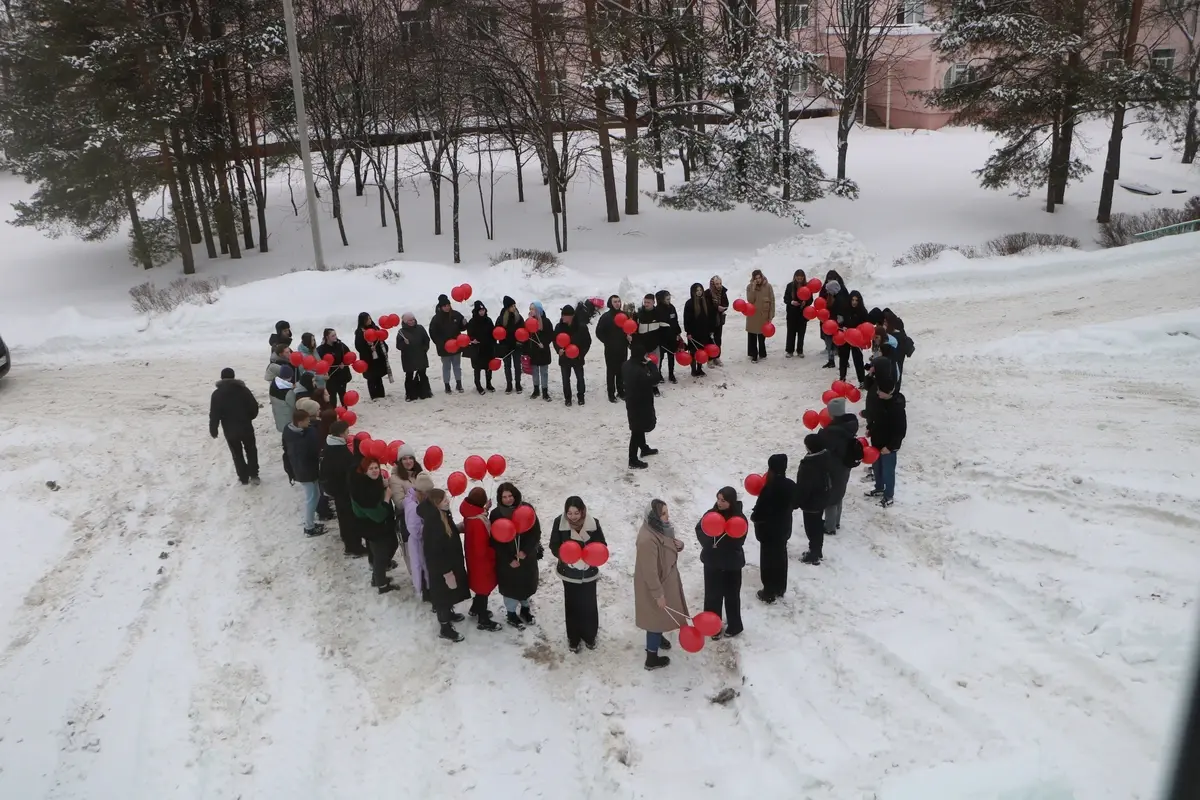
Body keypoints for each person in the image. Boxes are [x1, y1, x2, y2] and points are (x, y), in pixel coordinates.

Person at [634, 499, 688, 671]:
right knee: (654, 619)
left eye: (667, 512)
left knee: (659, 616)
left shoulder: (657, 528)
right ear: (654, 516)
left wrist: (678, 544)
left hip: (665, 579)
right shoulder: (647, 540)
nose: (667, 516)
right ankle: (651, 658)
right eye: (663, 513)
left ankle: (658, 635)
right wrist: (658, 594)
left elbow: (666, 546)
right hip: (655, 585)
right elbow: (650, 571)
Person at [549, 496, 607, 652]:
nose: (573, 517)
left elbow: (602, 544)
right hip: (569, 573)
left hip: (589, 572)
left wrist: (591, 558)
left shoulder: (593, 524)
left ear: (582, 511)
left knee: (589, 604)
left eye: (576, 513)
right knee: (572, 605)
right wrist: (566, 558)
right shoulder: (559, 523)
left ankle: (590, 636)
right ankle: (573, 638)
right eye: (569, 513)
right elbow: (554, 545)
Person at [419, 488, 472, 642]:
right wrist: (446, 571)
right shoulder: (433, 523)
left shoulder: (442, 515)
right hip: (441, 569)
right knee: (442, 597)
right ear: (435, 504)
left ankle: (449, 614)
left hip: (449, 564)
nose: (448, 501)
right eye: (444, 500)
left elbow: (448, 534)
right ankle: (445, 628)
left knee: (448, 595)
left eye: (446, 498)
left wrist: (458, 529)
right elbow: (434, 551)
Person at [695, 487, 746, 639]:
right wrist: (710, 543)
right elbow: (700, 529)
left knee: (732, 595)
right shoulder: (711, 514)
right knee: (712, 596)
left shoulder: (739, 518)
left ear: (731, 501)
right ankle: (713, 627)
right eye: (718, 499)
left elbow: (740, 539)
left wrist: (722, 544)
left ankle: (735, 625)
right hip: (712, 562)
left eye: (723, 500)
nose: (719, 503)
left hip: (731, 564)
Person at [490, 482, 542, 629]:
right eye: (504, 497)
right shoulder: (496, 514)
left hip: (526, 558)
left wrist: (525, 551)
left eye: (510, 496)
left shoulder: (527, 509)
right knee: (511, 588)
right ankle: (511, 614)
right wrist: (509, 559)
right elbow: (495, 540)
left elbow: (535, 533)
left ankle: (525, 610)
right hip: (507, 561)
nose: (508, 499)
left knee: (526, 584)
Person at [751, 454, 798, 602]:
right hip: (784, 528)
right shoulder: (790, 485)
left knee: (768, 560)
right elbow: (796, 504)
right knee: (781, 557)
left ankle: (769, 591)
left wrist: (754, 517)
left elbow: (760, 511)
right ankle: (780, 587)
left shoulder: (769, 488)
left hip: (768, 531)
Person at [350, 457, 399, 593]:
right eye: (370, 468)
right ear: (364, 470)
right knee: (380, 555)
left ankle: (377, 577)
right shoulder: (361, 491)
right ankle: (381, 585)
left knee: (391, 545)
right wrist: (387, 498)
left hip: (383, 526)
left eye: (376, 467)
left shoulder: (373, 481)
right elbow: (378, 515)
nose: (374, 471)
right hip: (373, 528)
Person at [459, 487, 503, 631]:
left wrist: (485, 508)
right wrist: (493, 552)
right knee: (484, 588)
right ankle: (483, 619)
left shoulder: (471, 514)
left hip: (473, 559)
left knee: (480, 586)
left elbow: (479, 514)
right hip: (482, 561)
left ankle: (475, 608)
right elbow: (481, 547)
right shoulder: (478, 522)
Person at [321, 420, 366, 557]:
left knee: (343, 516)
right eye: (347, 432)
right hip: (343, 490)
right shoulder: (339, 450)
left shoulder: (331, 444)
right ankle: (353, 546)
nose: (349, 434)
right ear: (341, 434)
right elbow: (347, 470)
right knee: (349, 518)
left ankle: (348, 540)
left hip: (337, 489)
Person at [209, 368, 260, 486]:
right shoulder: (243, 390)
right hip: (246, 426)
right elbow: (254, 406)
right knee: (251, 450)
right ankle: (254, 474)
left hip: (229, 429)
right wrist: (250, 417)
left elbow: (214, 413)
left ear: (221, 378)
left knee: (237, 453)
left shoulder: (217, 394)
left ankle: (243, 477)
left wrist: (214, 428)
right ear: (234, 376)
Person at [818, 396, 859, 538]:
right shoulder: (850, 425)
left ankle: (829, 527)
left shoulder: (830, 432)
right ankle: (836, 521)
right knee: (839, 493)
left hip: (833, 467)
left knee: (831, 496)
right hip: (845, 465)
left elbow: (822, 447)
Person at [865, 365, 906, 508]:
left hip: (888, 447)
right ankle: (879, 487)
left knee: (888, 472)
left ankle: (889, 495)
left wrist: (890, 447)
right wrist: (870, 429)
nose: (877, 393)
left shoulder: (897, 408)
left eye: (880, 391)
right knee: (877, 468)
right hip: (876, 442)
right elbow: (875, 418)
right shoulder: (879, 401)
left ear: (888, 392)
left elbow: (900, 431)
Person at [282, 409, 325, 537]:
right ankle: (309, 527)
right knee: (311, 498)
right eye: (306, 420)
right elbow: (311, 451)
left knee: (314, 496)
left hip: (303, 470)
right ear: (299, 423)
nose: (309, 422)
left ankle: (310, 523)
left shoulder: (289, 430)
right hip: (306, 472)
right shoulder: (301, 439)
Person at [622, 342, 662, 469]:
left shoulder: (626, 365)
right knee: (636, 430)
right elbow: (656, 378)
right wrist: (651, 364)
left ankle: (644, 448)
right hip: (640, 403)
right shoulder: (639, 371)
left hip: (631, 401)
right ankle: (632, 459)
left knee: (637, 427)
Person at [796, 434, 833, 566]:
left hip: (811, 502)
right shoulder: (825, 457)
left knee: (811, 528)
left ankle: (814, 553)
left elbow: (804, 487)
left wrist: (797, 501)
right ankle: (817, 550)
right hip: (822, 497)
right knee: (817, 525)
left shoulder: (809, 465)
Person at [404, 473, 435, 601]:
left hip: (426, 542)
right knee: (422, 568)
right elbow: (415, 530)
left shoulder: (422, 502)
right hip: (418, 544)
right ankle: (427, 593)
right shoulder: (413, 507)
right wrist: (430, 528)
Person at [429, 294, 467, 394]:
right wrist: (440, 344)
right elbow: (433, 333)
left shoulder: (456, 315)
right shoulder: (436, 319)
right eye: (444, 306)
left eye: (448, 305)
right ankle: (447, 385)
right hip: (444, 347)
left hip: (457, 345)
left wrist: (464, 323)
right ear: (441, 307)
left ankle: (459, 384)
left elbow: (462, 328)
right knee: (446, 367)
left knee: (457, 366)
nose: (447, 307)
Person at [553, 304, 590, 407]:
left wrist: (581, 354)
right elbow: (555, 340)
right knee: (565, 379)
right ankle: (568, 398)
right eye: (562, 315)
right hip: (564, 358)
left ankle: (581, 397)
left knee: (580, 378)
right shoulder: (559, 327)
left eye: (565, 315)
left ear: (571, 316)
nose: (562, 317)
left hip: (577, 358)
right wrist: (558, 350)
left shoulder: (581, 327)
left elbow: (587, 342)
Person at [595, 294, 629, 403]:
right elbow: (598, 332)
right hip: (610, 349)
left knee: (621, 371)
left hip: (623, 348)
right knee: (611, 372)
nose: (617, 303)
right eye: (615, 301)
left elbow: (629, 328)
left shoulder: (624, 315)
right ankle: (611, 393)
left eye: (619, 301)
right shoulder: (606, 317)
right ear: (610, 303)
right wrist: (607, 342)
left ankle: (621, 391)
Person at [394, 313, 432, 402]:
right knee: (409, 376)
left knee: (422, 374)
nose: (412, 322)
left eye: (413, 319)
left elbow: (426, 340)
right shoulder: (401, 332)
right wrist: (404, 344)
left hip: (420, 355)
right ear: (405, 322)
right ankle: (410, 394)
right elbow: (398, 346)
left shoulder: (420, 328)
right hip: (408, 357)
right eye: (409, 320)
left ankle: (425, 392)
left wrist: (424, 349)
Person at [354, 312, 390, 400]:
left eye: (370, 318)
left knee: (378, 376)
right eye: (367, 319)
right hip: (368, 358)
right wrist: (369, 348)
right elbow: (358, 346)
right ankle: (374, 396)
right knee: (371, 377)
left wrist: (381, 348)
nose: (369, 321)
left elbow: (381, 339)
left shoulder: (375, 328)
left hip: (378, 356)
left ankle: (381, 394)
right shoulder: (360, 332)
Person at [682, 282, 715, 378]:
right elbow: (686, 319)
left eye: (701, 290)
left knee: (702, 350)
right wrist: (688, 332)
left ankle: (700, 368)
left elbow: (710, 317)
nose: (699, 292)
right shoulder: (689, 303)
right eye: (697, 291)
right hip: (693, 333)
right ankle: (693, 370)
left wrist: (711, 330)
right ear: (693, 292)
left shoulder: (706, 302)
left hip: (704, 331)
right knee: (693, 351)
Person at [838, 290, 869, 384]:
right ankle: (842, 378)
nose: (854, 302)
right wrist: (842, 326)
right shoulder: (844, 309)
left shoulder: (863, 311)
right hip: (845, 336)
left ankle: (862, 381)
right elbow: (839, 321)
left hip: (856, 338)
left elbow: (866, 325)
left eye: (856, 300)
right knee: (843, 358)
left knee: (858, 359)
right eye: (852, 300)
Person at [316, 328, 353, 408]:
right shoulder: (321, 349)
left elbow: (348, 355)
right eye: (332, 336)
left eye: (335, 335)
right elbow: (318, 363)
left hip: (341, 375)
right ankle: (333, 413)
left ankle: (344, 411)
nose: (335, 337)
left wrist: (344, 363)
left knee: (343, 394)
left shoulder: (341, 345)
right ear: (327, 337)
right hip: (330, 376)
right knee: (332, 396)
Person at [466, 300, 497, 395]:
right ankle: (478, 384)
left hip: (488, 347)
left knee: (489, 367)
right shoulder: (472, 322)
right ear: (476, 311)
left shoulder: (488, 320)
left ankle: (489, 383)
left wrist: (494, 342)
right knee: (477, 367)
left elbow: (493, 332)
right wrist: (472, 340)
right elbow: (469, 335)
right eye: (480, 310)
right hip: (477, 348)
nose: (482, 312)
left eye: (483, 310)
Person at [745, 269, 776, 363]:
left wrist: (771, 315)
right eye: (756, 278)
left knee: (762, 336)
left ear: (762, 277)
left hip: (764, 315)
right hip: (753, 316)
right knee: (753, 335)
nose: (758, 280)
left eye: (759, 277)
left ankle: (762, 353)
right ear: (753, 279)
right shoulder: (750, 287)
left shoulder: (768, 286)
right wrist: (753, 288)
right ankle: (754, 354)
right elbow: (750, 300)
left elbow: (772, 301)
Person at [820, 272, 849, 368]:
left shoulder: (841, 295)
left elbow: (844, 307)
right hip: (828, 321)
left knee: (840, 340)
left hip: (838, 322)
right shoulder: (829, 293)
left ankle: (844, 360)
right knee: (829, 341)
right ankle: (831, 359)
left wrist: (841, 319)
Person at [525, 302, 553, 401]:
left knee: (544, 372)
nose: (531, 311)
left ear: (538, 310)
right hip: (533, 352)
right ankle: (536, 389)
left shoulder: (546, 321)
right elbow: (526, 336)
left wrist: (544, 344)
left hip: (543, 351)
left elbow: (550, 335)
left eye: (533, 309)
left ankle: (545, 392)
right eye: (530, 309)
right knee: (535, 372)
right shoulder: (528, 322)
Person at [497, 296, 525, 394]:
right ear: (507, 307)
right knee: (507, 366)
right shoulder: (501, 319)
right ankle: (509, 384)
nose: (514, 307)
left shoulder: (518, 317)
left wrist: (520, 342)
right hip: (505, 346)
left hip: (516, 346)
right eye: (512, 306)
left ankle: (518, 384)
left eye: (514, 305)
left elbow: (523, 331)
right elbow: (497, 332)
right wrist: (502, 342)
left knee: (517, 365)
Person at [654, 290, 681, 383]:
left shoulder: (672, 307)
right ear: (661, 299)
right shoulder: (657, 310)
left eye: (669, 296)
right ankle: (659, 373)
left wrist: (678, 332)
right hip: (662, 338)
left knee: (671, 355)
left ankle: (671, 374)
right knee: (660, 357)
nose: (669, 298)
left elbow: (675, 320)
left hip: (672, 337)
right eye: (666, 297)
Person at [784, 269, 812, 358]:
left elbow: (811, 300)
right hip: (792, 313)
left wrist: (806, 302)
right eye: (798, 278)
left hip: (803, 314)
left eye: (801, 278)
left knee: (801, 333)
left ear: (803, 278)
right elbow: (785, 299)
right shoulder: (790, 286)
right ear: (795, 277)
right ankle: (789, 350)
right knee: (791, 332)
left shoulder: (807, 287)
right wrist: (792, 302)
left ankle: (800, 350)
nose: (799, 279)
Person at [705, 276, 730, 366]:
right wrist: (716, 308)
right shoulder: (708, 293)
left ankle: (717, 356)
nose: (719, 286)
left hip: (719, 320)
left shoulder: (723, 291)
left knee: (718, 339)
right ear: (713, 284)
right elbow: (706, 306)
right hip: (710, 320)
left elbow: (726, 303)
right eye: (717, 284)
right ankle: (710, 358)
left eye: (720, 283)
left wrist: (723, 308)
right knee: (710, 339)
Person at [633, 294, 662, 362]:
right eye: (645, 302)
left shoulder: (658, 313)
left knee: (655, 367)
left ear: (653, 302)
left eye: (648, 302)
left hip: (655, 346)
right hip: (642, 346)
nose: (646, 304)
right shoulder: (639, 314)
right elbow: (634, 329)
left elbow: (663, 328)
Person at [269, 364, 297, 433]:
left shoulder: (274, 382)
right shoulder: (287, 392)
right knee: (288, 432)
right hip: (286, 416)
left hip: (277, 412)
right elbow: (294, 405)